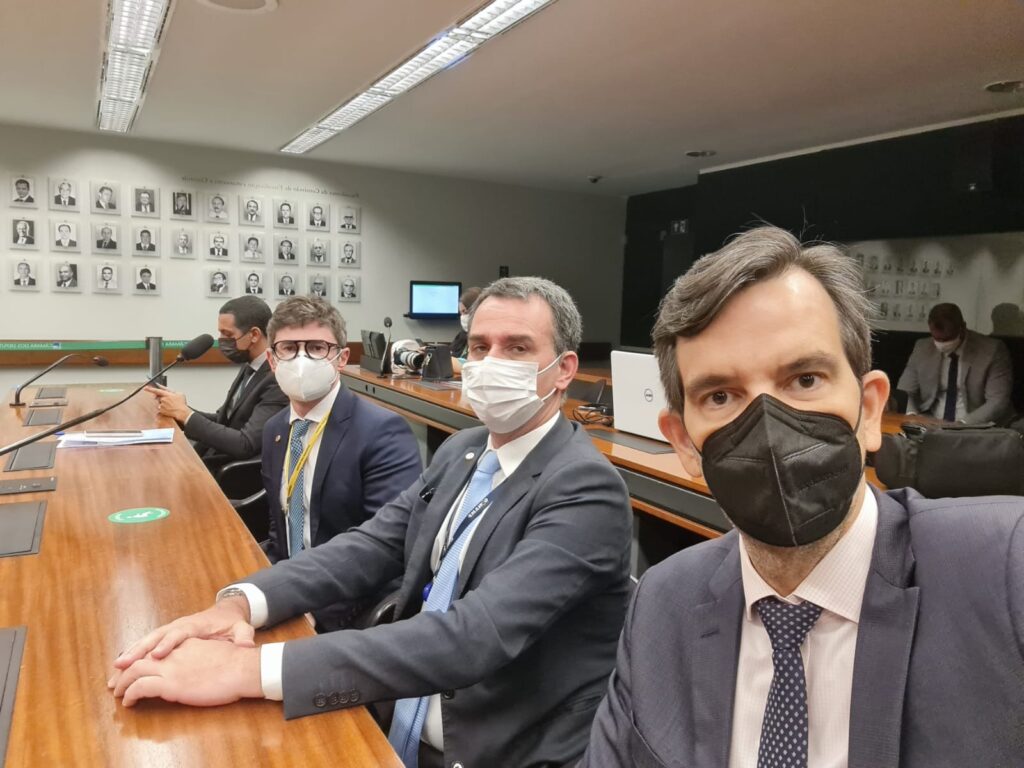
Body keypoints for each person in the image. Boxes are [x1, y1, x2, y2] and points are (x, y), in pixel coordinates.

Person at [109, 276, 633, 768]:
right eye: (479, 347)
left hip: (493, 746)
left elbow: (474, 636)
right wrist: (241, 603)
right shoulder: (465, 449)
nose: (490, 362)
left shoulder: (586, 488)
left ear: (564, 369)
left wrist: (249, 669)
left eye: (517, 348)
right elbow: (372, 544)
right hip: (396, 710)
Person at [580, 226, 1024, 768]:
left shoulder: (1006, 569)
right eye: (720, 396)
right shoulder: (662, 603)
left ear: (869, 410)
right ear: (684, 443)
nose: (768, 428)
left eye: (805, 379)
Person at [256, 297, 422, 628]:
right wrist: (267, 587)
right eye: (289, 348)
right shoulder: (275, 429)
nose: (301, 359)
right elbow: (281, 524)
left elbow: (385, 551)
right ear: (272, 360)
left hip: (345, 605)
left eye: (317, 348)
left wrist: (312, 612)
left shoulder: (382, 432)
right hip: (290, 586)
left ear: (341, 358)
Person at [145, 296, 288, 469]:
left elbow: (246, 444)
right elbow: (224, 420)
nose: (221, 340)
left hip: (233, 473)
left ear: (254, 335)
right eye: (220, 333)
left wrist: (186, 415)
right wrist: (179, 410)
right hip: (212, 460)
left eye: (228, 334)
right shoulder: (249, 366)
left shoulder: (276, 378)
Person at [896, 302, 1013, 424]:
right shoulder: (923, 348)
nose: (942, 344)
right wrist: (913, 416)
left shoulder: (991, 350)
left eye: (947, 339)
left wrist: (961, 425)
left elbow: (997, 401)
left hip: (976, 424)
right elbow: (905, 391)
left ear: (962, 328)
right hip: (931, 421)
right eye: (937, 339)